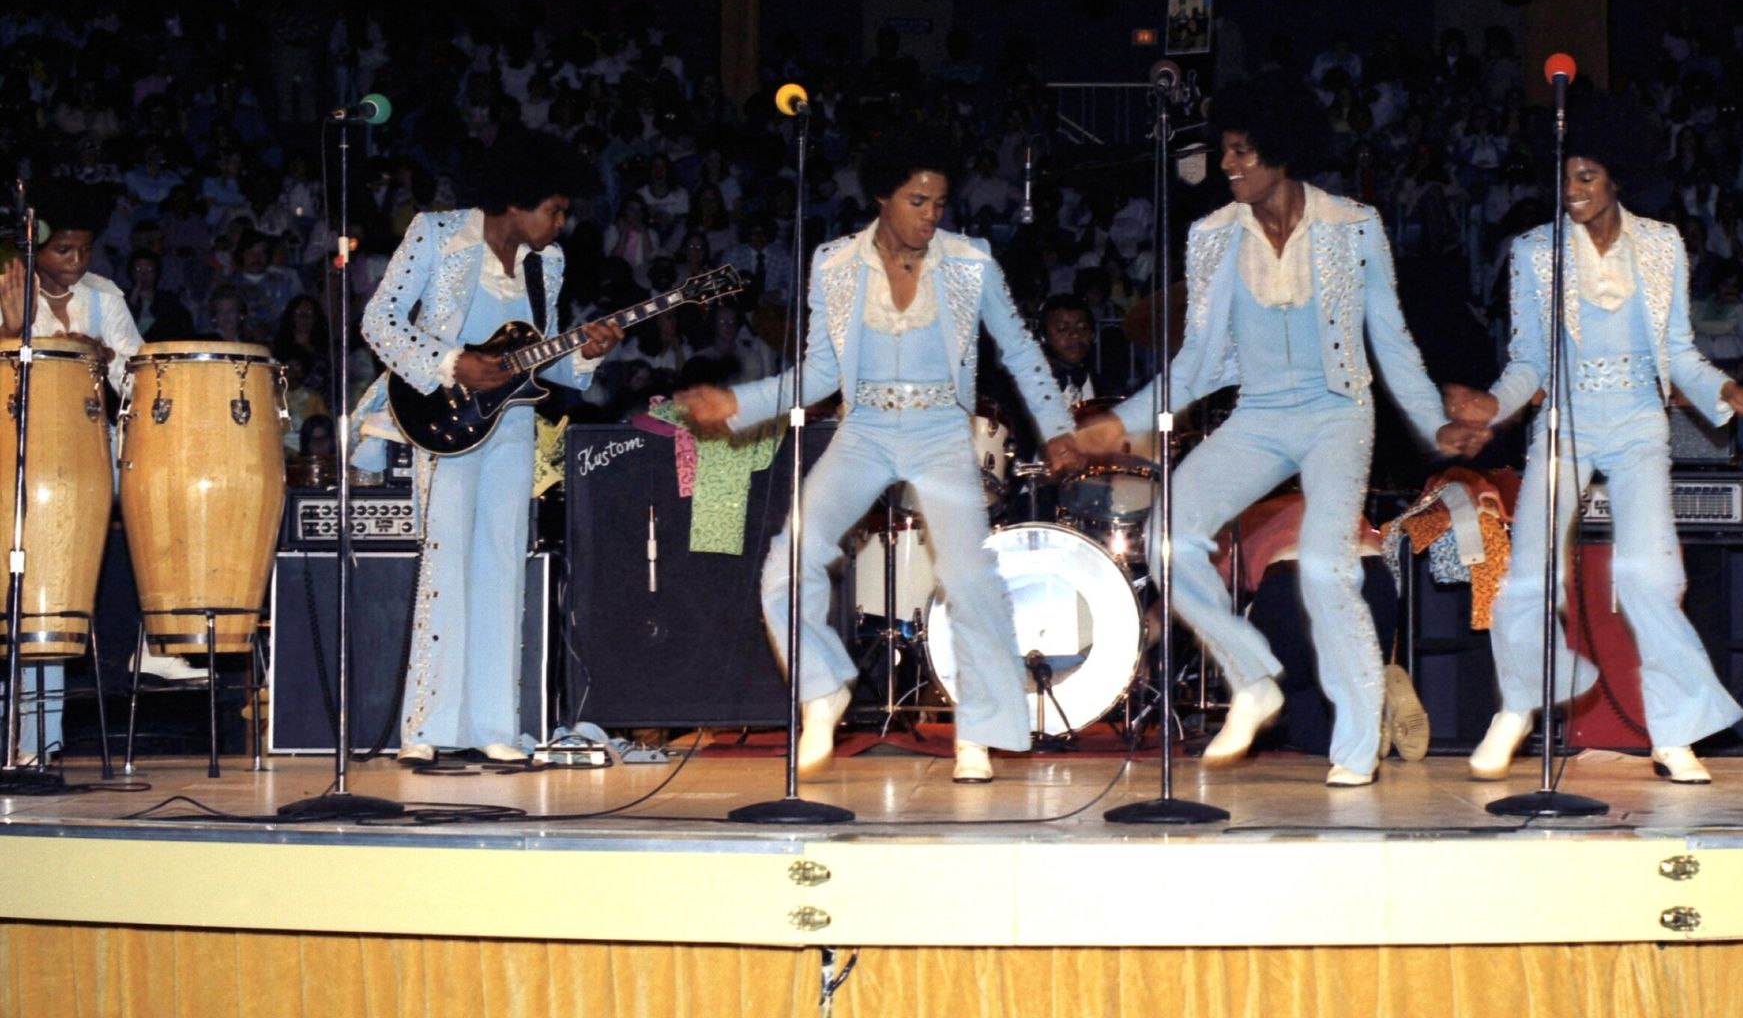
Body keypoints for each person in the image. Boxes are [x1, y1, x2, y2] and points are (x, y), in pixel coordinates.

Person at [1075, 75, 1486, 787]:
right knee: (1169, 537)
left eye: (1241, 151)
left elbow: (1390, 340)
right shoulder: (1212, 239)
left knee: (1328, 569)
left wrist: (1434, 423)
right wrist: (1122, 419)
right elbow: (1198, 364)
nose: (1228, 164)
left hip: (1336, 412)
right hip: (1260, 415)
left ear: (1281, 150)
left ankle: (1358, 744)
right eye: (1225, 151)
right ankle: (1254, 676)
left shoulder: (1353, 225)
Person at [679, 125, 1082, 784]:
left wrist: (1057, 426)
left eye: (939, 203)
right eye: (917, 201)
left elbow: (1021, 350)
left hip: (938, 430)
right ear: (882, 199)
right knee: (789, 561)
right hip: (864, 427)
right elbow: (815, 378)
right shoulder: (835, 264)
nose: (931, 215)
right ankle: (823, 691)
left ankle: (977, 733)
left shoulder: (969, 261)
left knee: (969, 579)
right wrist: (741, 403)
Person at [1444, 93, 1743, 786]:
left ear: (1618, 177)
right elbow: (1527, 365)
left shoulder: (1660, 245)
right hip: (1565, 423)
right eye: (1565, 177)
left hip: (1636, 422)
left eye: (1588, 177)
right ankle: (1516, 706)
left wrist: (1735, 393)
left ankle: (1674, 731)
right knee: (1527, 574)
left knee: (1649, 576)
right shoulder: (1537, 253)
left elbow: (1682, 356)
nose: (1572, 191)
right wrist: (1490, 406)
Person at [352, 130, 623, 765]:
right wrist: (450, 362)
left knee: (504, 560)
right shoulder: (438, 233)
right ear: (515, 200)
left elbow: (541, 356)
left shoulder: (544, 264)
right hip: (440, 418)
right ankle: (426, 725)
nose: (561, 222)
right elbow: (378, 319)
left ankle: (493, 722)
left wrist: (582, 353)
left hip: (511, 426)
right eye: (553, 208)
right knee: (445, 560)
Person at [0, 185, 145, 762]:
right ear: (36, 248)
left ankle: (41, 745)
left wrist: (106, 359)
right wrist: (14, 334)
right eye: (63, 250)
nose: (76, 262)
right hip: (15, 452)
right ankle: (14, 741)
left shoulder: (103, 296)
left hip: (83, 458)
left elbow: (140, 376)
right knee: (14, 590)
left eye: (84, 251)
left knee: (55, 589)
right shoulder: (8, 285)